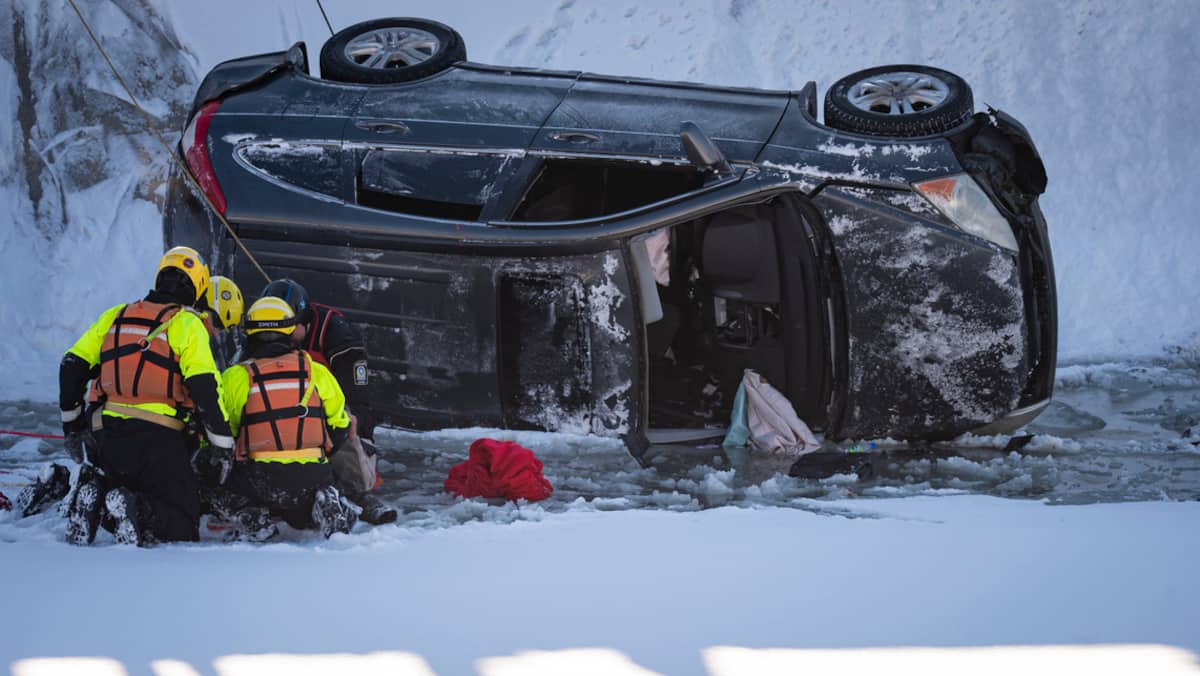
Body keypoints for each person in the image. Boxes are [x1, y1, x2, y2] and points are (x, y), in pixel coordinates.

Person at [59, 246, 235, 546]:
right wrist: (222, 444)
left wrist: (73, 428)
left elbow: (71, 367)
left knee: (121, 489)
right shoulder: (187, 324)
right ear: (198, 288)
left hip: (109, 438)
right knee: (182, 522)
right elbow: (204, 387)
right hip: (160, 441)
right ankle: (133, 507)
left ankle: (96, 496)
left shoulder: (116, 316)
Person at [259, 278, 397, 524]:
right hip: (280, 415)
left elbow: (358, 395)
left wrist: (359, 435)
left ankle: (357, 496)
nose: (281, 337)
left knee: (346, 423)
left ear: (303, 321)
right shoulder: (265, 336)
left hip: (326, 413)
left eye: (289, 329)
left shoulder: (339, 338)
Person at [220, 296, 358, 538]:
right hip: (314, 476)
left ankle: (253, 519)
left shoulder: (235, 376)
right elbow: (340, 426)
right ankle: (324, 501)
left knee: (210, 485)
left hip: (260, 480)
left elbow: (226, 432)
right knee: (301, 508)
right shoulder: (317, 371)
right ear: (291, 331)